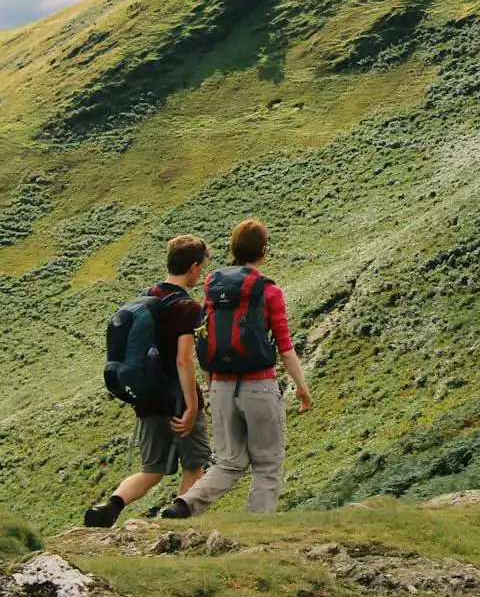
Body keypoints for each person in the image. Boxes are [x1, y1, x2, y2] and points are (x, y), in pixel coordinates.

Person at [163, 218, 312, 518]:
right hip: (259, 386)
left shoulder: (212, 285)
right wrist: (303, 389)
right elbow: (284, 346)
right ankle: (256, 530)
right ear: (264, 250)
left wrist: (210, 385)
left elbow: (206, 335)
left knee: (229, 461)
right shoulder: (269, 291)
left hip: (221, 387)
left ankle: (185, 504)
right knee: (268, 464)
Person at [85, 235, 212, 527]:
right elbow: (183, 359)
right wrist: (192, 407)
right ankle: (178, 524)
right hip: (177, 401)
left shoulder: (147, 297)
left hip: (147, 400)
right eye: (202, 266)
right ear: (193, 267)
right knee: (194, 465)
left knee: (152, 469)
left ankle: (109, 507)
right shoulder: (187, 308)